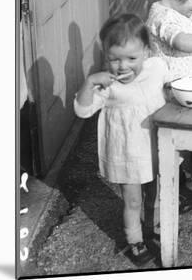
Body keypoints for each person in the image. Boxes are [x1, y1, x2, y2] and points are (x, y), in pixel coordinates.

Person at [74, 14, 167, 264]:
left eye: (131, 58)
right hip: (127, 153)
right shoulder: (108, 86)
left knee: (156, 191)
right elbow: (82, 110)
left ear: (146, 52)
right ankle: (134, 239)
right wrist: (90, 81)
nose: (123, 66)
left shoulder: (156, 68)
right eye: (114, 59)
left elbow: (175, 79)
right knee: (133, 199)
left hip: (155, 147)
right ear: (106, 56)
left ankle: (153, 226)